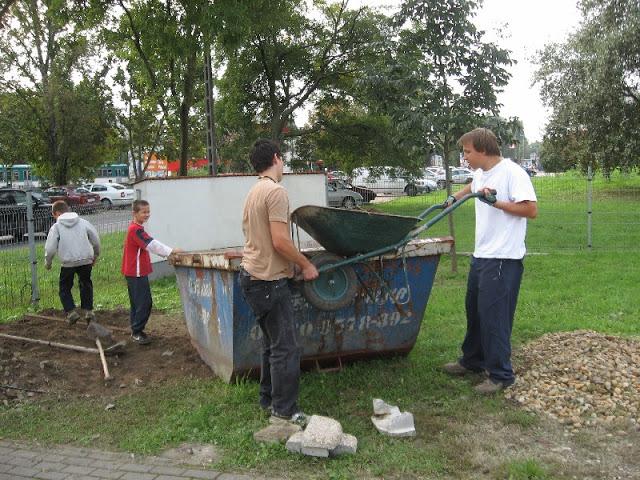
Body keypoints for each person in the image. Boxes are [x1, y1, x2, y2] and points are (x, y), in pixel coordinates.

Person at [442, 128, 538, 394]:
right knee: (474, 311)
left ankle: (500, 375)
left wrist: (497, 204)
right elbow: (471, 186)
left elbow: (531, 209)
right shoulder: (481, 172)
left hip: (502, 259)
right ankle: (473, 360)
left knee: (494, 317)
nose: (465, 158)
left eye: (468, 152)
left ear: (483, 150)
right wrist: (453, 198)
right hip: (481, 256)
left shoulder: (512, 173)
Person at [240, 139, 319, 424]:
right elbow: (280, 241)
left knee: (271, 344)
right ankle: (285, 410)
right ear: (276, 158)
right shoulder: (275, 192)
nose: (283, 164)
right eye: (282, 159)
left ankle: (268, 399)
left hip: (251, 276)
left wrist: (289, 265)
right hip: (268, 281)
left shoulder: (253, 191)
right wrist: (305, 264)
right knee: (286, 347)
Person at [121, 199, 180, 345]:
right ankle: (137, 331)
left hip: (134, 271)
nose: (147, 215)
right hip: (136, 272)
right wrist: (171, 251)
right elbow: (151, 244)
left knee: (137, 302)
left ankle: (136, 330)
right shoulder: (136, 230)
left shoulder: (136, 228)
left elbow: (149, 244)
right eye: (144, 212)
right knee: (144, 303)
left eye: (148, 211)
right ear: (134, 213)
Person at [44, 200, 101, 325]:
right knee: (86, 283)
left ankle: (71, 312)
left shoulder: (56, 227)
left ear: (57, 213)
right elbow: (95, 239)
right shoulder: (83, 222)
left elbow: (50, 248)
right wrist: (95, 254)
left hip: (68, 262)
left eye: (53, 215)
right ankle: (88, 312)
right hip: (85, 260)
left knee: (64, 288)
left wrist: (48, 262)